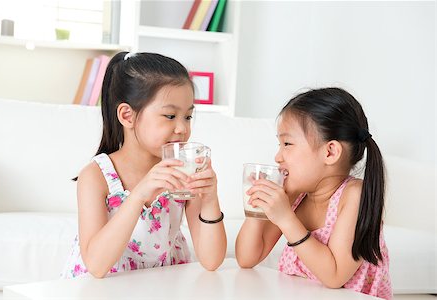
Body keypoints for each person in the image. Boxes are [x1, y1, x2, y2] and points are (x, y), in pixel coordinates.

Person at [61, 52, 226, 279]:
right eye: (170, 116)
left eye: (187, 117)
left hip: (158, 286)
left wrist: (209, 199)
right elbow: (97, 266)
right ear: (127, 115)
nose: (182, 129)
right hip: (103, 288)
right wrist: (138, 195)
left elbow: (211, 260)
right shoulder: (97, 176)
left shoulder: (183, 171)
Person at [235, 87, 392, 299]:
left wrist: (286, 219)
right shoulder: (294, 196)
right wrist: (258, 207)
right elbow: (246, 258)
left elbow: (335, 276)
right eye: (279, 144)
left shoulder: (355, 195)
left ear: (330, 152)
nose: (277, 156)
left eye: (287, 144)